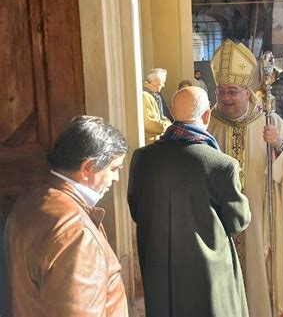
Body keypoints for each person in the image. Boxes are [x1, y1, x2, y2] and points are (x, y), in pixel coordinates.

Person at [128, 86, 251, 317]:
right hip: (207, 272)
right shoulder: (222, 164)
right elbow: (237, 221)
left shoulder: (142, 158)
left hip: (159, 265)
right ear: (207, 116)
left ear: (173, 113)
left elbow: (136, 209)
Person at [208, 39, 283, 317]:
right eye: (221, 91)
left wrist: (279, 147)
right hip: (220, 221)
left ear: (248, 90)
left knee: (259, 267)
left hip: (261, 218)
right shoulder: (210, 124)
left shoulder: (269, 121)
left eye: (233, 91)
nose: (226, 98)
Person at [6, 115, 129, 316]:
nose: (116, 179)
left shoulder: (32, 198)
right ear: (87, 167)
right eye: (114, 169)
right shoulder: (75, 232)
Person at [143, 68, 172, 144]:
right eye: (163, 82)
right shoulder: (145, 96)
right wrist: (167, 126)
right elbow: (150, 123)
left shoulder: (154, 95)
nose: (164, 85)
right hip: (150, 142)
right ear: (155, 82)